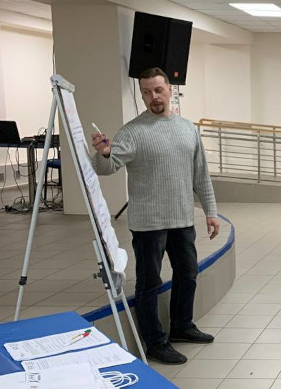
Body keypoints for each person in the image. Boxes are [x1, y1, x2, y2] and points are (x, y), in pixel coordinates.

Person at [90, 67, 218, 365]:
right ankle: (155, 342)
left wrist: (211, 212)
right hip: (148, 224)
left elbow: (201, 174)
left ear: (170, 90)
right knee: (149, 282)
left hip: (182, 219)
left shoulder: (187, 129)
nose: (153, 97)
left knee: (187, 274)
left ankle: (182, 326)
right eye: (146, 92)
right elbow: (107, 167)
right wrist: (104, 153)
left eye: (158, 90)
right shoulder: (132, 131)